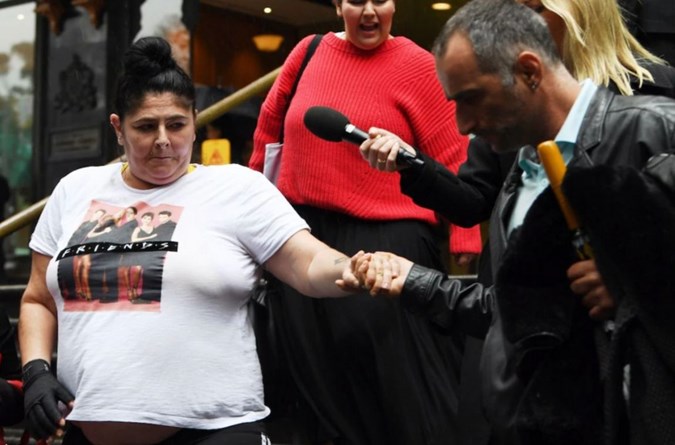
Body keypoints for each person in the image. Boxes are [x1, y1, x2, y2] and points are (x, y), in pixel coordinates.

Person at [17, 36, 373, 445]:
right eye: (146, 127)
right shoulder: (74, 190)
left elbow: (308, 264)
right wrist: (36, 373)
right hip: (88, 430)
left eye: (177, 124)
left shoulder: (237, 188)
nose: (164, 139)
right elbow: (37, 298)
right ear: (118, 128)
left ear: (195, 120)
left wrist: (352, 269)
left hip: (214, 431)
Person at [356, 0, 675, 443]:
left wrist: (635, 286)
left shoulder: (654, 125)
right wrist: (416, 282)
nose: (463, 125)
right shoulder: (517, 179)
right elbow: (513, 311)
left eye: (471, 99)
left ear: (529, 71)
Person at [248, 0, 481, 443]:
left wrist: (466, 243)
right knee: (319, 394)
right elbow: (268, 133)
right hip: (304, 241)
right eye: (357, 0)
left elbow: (456, 159)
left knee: (403, 400)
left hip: (391, 244)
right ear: (338, 5)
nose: (370, 11)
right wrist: (254, 222)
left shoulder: (418, 65)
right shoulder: (308, 52)